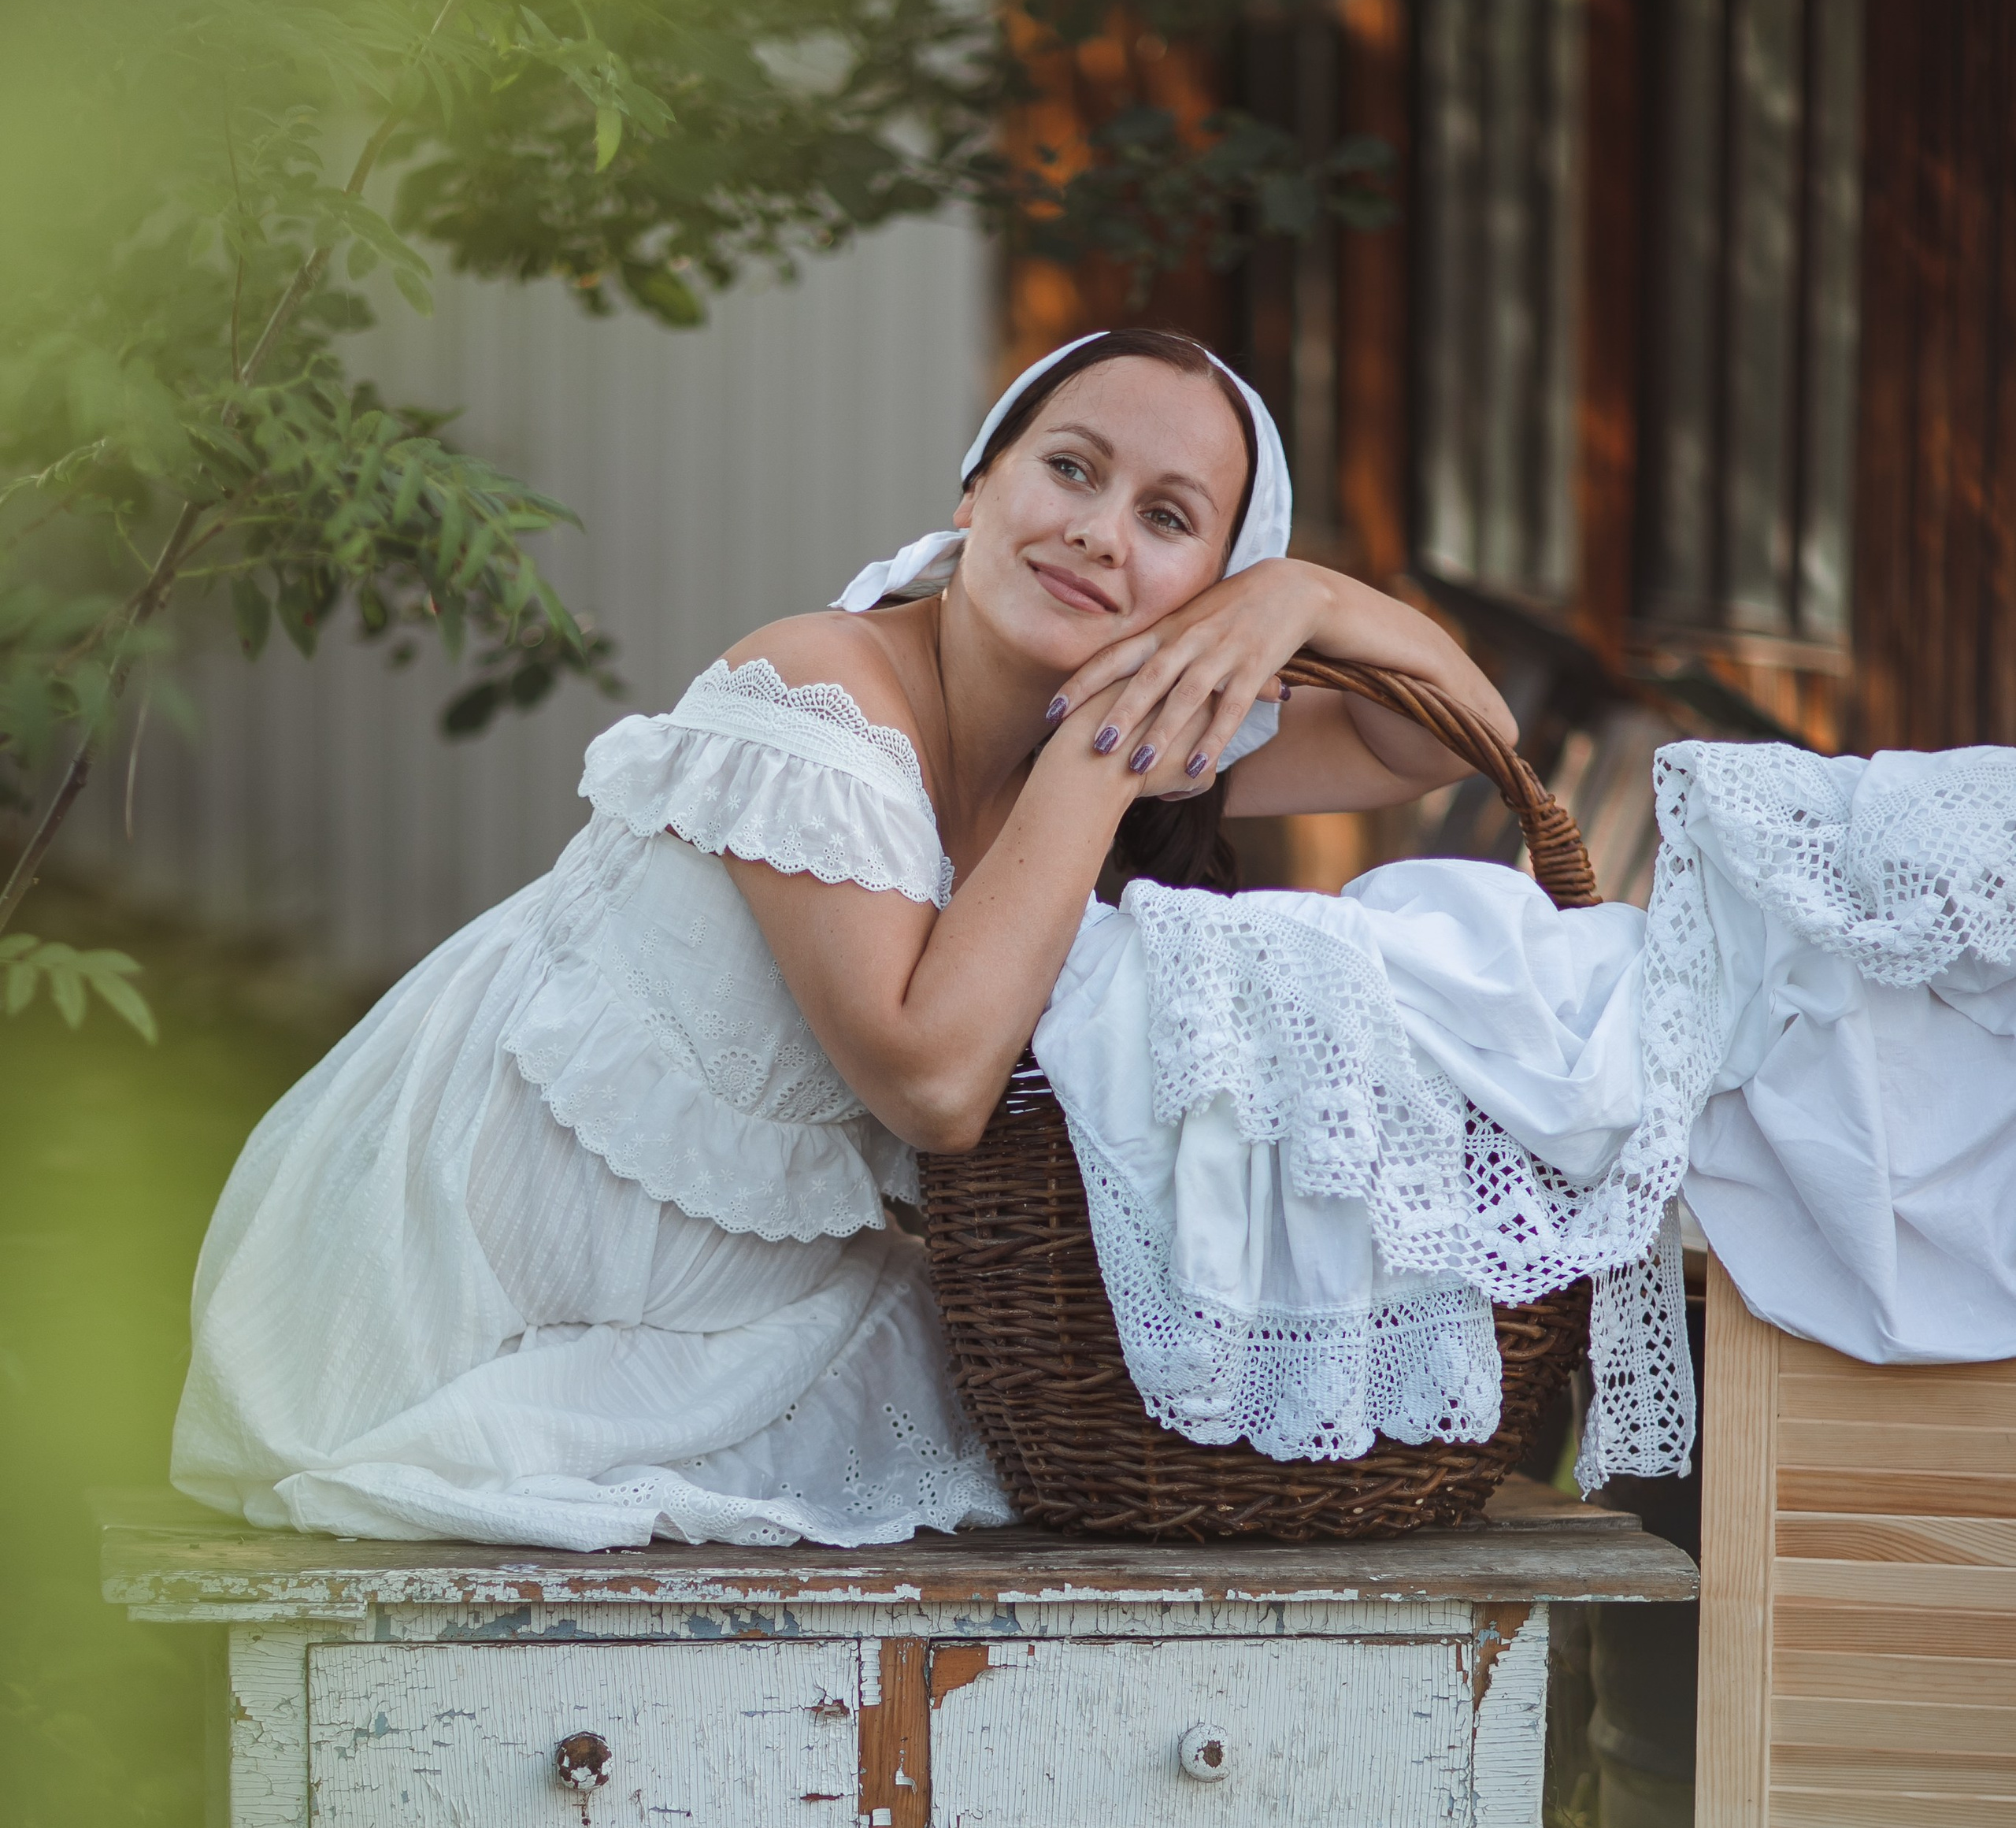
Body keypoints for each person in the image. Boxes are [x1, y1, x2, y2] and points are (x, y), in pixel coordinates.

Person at [172, 327, 1514, 1549]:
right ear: (974, 489)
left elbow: (1446, 738)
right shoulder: (823, 695)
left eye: (1168, 519)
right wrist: (1100, 769)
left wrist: (1305, 602)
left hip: (710, 1289)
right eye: (1070, 469)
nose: (1101, 534)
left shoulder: (1124, 717)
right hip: (456, 1273)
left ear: (1207, 589)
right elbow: (933, 1084)